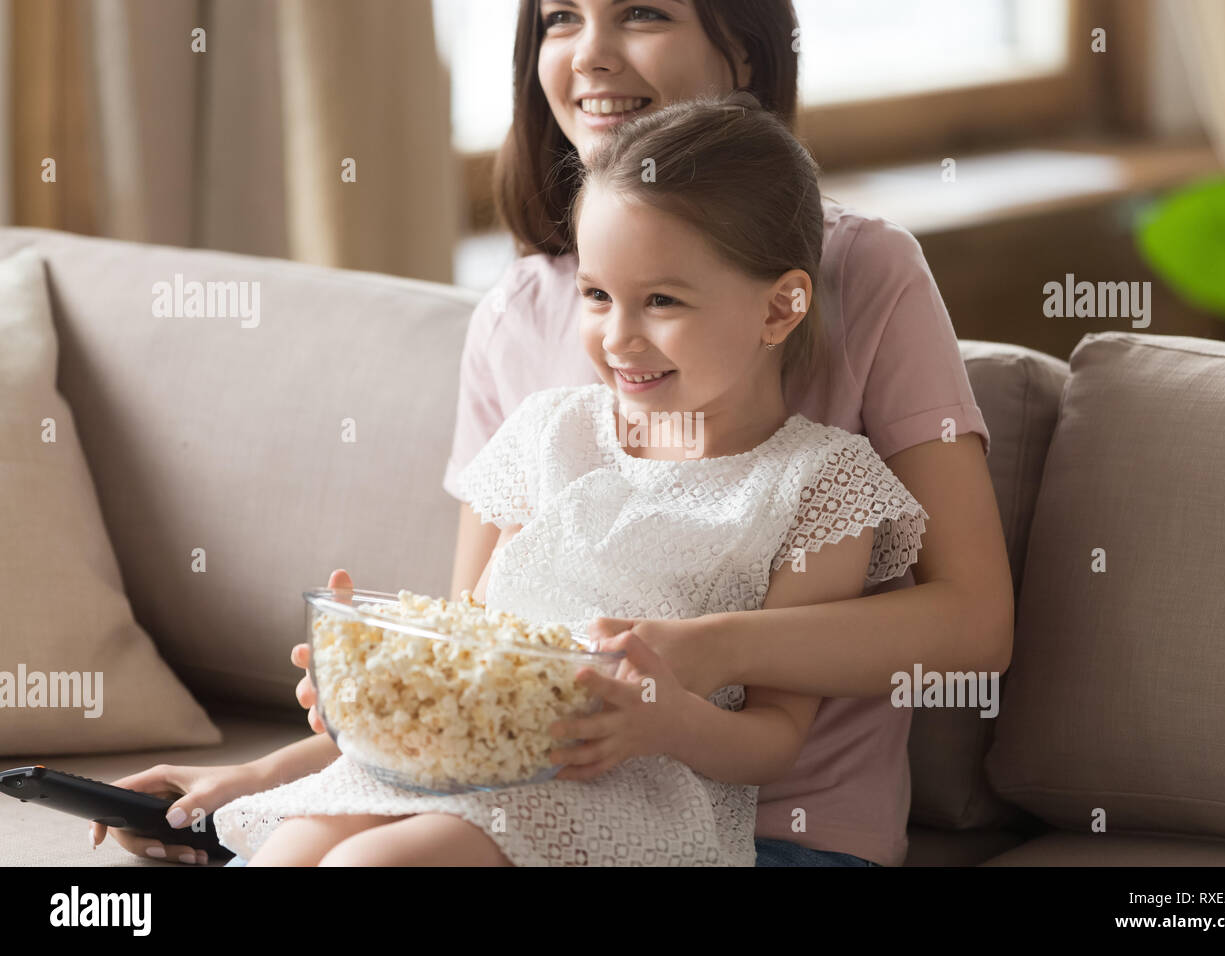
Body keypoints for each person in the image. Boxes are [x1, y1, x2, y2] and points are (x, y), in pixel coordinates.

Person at [91, 0, 1011, 867]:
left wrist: (695, 657)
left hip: (759, 831)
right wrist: (284, 760)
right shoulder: (526, 324)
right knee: (295, 844)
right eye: (560, 17)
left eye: (642, 11)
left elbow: (974, 622)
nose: (591, 53)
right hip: (496, 790)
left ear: (746, 47)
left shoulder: (863, 284)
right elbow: (481, 657)